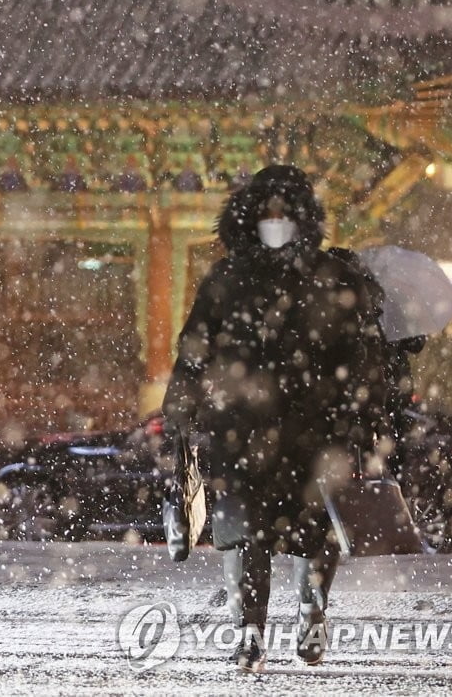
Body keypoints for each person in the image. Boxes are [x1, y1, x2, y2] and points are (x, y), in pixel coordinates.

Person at [163, 165, 387, 672]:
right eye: (267, 212)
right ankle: (249, 633)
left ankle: (312, 614)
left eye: (285, 213)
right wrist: (182, 405)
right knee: (243, 532)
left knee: (315, 530)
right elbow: (195, 347)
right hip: (239, 431)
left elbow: (361, 354)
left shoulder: (333, 277)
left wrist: (360, 414)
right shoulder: (227, 278)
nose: (276, 221)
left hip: (314, 431)